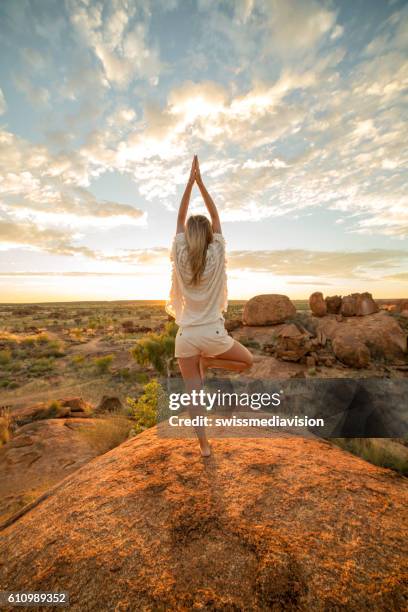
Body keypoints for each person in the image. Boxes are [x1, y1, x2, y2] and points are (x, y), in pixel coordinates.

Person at [165, 155, 254, 457]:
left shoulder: (180, 256)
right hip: (213, 334)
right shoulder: (216, 255)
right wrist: (201, 182)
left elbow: (178, 219)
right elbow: (216, 218)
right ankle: (211, 362)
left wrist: (188, 184)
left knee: (194, 396)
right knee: (247, 362)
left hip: (186, 337)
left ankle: (204, 447)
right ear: (209, 235)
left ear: (188, 236)